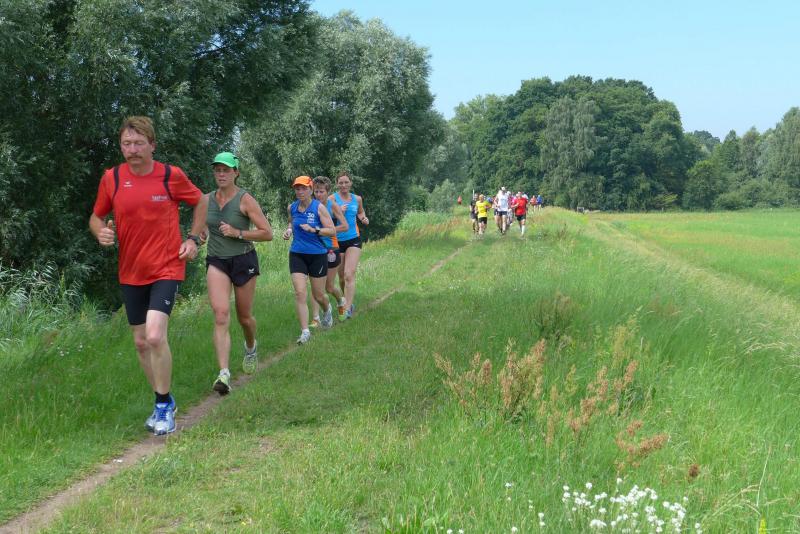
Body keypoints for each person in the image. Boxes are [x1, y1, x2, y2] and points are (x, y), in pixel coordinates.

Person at [90, 116, 202, 435]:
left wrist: (193, 239)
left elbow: (200, 202)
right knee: (141, 343)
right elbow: (96, 217)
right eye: (126, 144)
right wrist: (100, 232)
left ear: (152, 145)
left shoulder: (170, 175)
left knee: (154, 336)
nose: (133, 150)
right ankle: (163, 399)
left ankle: (163, 407)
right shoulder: (112, 178)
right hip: (131, 271)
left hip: (167, 266)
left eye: (139, 143)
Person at [189, 152, 273, 395]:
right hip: (217, 261)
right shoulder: (205, 200)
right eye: (217, 170)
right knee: (220, 314)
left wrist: (238, 233)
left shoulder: (246, 200)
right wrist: (199, 238)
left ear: (236, 172)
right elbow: (201, 229)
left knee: (244, 317)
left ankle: (251, 347)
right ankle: (224, 373)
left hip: (243, 260)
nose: (221, 174)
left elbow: (267, 233)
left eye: (226, 170)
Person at [282, 176, 336, 344]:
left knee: (319, 295)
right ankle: (305, 331)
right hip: (297, 254)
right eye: (297, 188)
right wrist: (289, 231)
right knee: (300, 293)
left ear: (311, 189)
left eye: (303, 188)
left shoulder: (319, 207)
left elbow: (332, 230)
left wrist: (315, 229)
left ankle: (326, 309)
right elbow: (291, 223)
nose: (300, 192)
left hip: (317, 255)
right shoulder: (292, 207)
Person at [309, 176, 349, 327]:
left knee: (329, 287)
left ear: (328, 192)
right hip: (314, 248)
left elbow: (345, 226)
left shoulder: (333, 206)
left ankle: (341, 301)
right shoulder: (310, 205)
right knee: (315, 287)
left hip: (331, 248)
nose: (318, 195)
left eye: (321, 192)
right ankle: (316, 318)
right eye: (316, 192)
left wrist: (326, 230)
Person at [332, 172, 369, 320]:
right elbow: (325, 215)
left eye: (346, 182)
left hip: (353, 239)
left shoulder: (357, 199)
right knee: (341, 277)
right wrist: (337, 212)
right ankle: (346, 300)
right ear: (337, 184)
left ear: (350, 183)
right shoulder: (332, 199)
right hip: (337, 241)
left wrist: (363, 218)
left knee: (349, 274)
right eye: (340, 183)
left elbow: (360, 212)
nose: (343, 185)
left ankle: (347, 308)